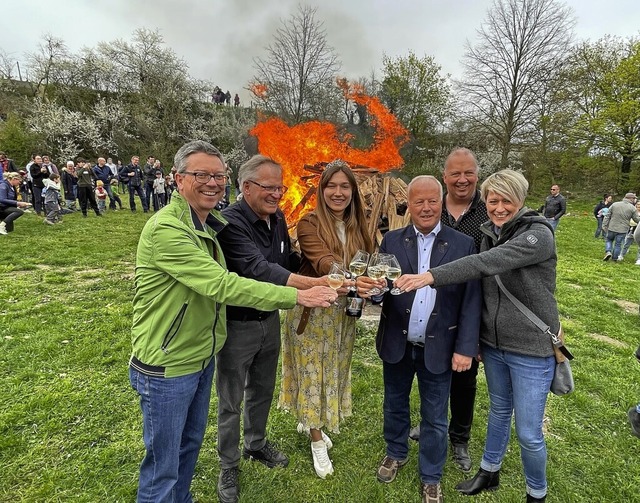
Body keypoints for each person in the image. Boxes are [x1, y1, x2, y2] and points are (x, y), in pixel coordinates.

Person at [128, 140, 336, 503]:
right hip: (167, 364)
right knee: (164, 462)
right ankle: (223, 468)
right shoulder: (169, 229)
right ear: (178, 180)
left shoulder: (209, 224)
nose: (212, 183)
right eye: (201, 175)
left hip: (199, 353)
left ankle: (194, 489)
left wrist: (325, 273)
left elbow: (282, 262)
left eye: (217, 175)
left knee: (188, 446)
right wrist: (300, 294)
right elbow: (226, 282)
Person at [395, 170, 559, 503]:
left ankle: (536, 494)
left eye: (506, 200)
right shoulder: (490, 233)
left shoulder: (537, 234)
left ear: (521, 200)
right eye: (492, 201)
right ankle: (489, 471)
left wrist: (430, 275)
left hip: (530, 345)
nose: (498, 208)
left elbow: (486, 263)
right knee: (499, 412)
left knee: (528, 432)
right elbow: (481, 292)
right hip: (496, 345)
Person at [357, 175, 481, 503]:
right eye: (418, 202)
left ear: (442, 202)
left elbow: (471, 301)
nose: (425, 208)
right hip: (398, 343)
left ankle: (431, 475)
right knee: (394, 405)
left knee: (435, 416)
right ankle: (395, 451)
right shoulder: (393, 241)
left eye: (432, 201)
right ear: (407, 205)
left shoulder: (462, 244)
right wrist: (377, 292)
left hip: (439, 346)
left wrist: (466, 348)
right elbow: (383, 288)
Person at [216, 155, 331, 503]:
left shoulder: (277, 217)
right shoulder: (230, 222)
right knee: (231, 399)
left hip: (269, 319)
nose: (277, 194)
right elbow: (258, 268)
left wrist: (323, 265)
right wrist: (309, 286)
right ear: (246, 187)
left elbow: (285, 261)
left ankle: (255, 444)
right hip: (238, 324)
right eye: (269, 187)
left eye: (279, 187)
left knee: (262, 389)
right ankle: (228, 464)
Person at [278, 159, 373, 479]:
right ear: (321, 190)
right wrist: (352, 279)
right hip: (312, 312)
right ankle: (317, 441)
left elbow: (370, 265)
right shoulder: (309, 223)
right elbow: (323, 262)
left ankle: (311, 422)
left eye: (344, 186)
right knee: (312, 376)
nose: (338, 192)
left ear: (353, 191)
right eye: (331, 185)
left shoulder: (361, 225)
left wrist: (373, 283)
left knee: (330, 374)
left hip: (343, 315)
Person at [409, 147, 488, 473]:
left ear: (477, 175)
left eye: (468, 172)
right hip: (436, 313)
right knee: (433, 374)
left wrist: (477, 336)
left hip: (474, 306)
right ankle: (432, 426)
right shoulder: (432, 209)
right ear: (445, 178)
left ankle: (459, 436)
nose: (462, 179)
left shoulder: (488, 212)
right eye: (455, 173)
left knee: (465, 379)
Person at [603, 192, 640, 261]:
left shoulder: (615, 204)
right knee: (618, 244)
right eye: (634, 198)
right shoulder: (632, 208)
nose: (635, 200)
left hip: (612, 227)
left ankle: (608, 251)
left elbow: (607, 216)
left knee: (609, 240)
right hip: (623, 229)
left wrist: (604, 225)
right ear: (631, 199)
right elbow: (637, 219)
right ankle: (614, 258)